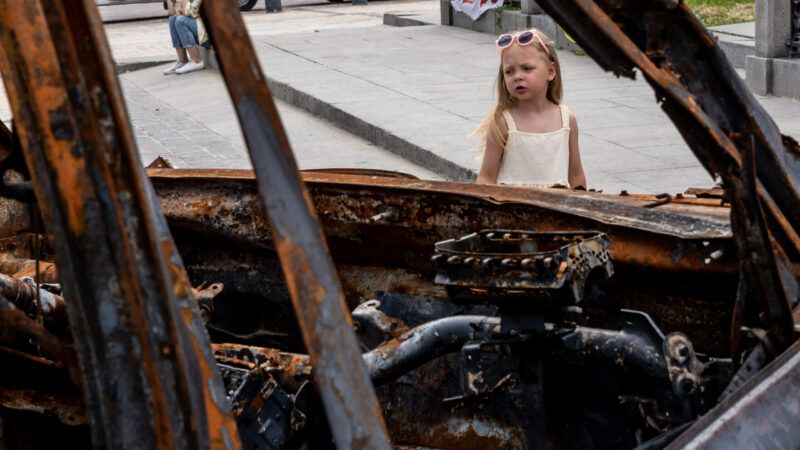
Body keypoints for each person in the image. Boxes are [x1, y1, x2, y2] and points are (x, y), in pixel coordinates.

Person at [474, 29, 586, 190]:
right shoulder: (503, 123)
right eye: (509, 71)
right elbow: (486, 177)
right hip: (513, 211)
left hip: (556, 210)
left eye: (527, 68)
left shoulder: (567, 120)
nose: (517, 76)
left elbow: (575, 175)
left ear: (550, 71)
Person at [163, 0, 207, 75]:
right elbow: (172, 12)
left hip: (206, 30)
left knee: (181, 20)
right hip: (197, 25)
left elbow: (188, 12)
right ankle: (182, 60)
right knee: (172, 19)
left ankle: (196, 61)